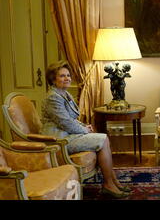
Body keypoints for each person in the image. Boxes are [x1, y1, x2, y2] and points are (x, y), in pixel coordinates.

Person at [40, 61, 131, 198]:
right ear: (53, 79)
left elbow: (70, 119)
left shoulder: (63, 93)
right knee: (103, 138)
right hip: (59, 140)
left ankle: (113, 181)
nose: (67, 78)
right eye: (62, 76)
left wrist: (83, 126)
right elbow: (66, 124)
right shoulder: (53, 97)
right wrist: (85, 130)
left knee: (103, 138)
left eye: (68, 75)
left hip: (68, 134)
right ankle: (109, 184)